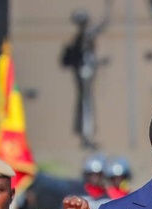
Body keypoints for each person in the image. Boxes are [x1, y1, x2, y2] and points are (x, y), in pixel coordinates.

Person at [60, 0, 112, 149]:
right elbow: (103, 24)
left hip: (85, 71)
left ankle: (86, 134)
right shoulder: (85, 35)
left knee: (85, 103)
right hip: (85, 71)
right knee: (86, 103)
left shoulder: (81, 37)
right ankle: (86, 135)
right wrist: (109, 7)